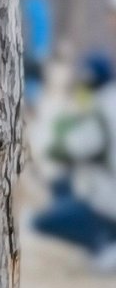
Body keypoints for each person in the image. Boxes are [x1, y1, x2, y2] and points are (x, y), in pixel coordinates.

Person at [32, 51, 116, 264]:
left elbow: (70, 148)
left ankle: (104, 244)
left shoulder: (101, 108)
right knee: (61, 185)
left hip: (107, 203)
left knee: (40, 222)